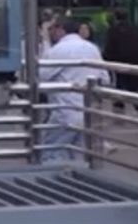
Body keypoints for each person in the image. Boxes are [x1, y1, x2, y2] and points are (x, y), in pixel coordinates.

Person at [39, 16, 110, 164]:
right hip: (88, 111)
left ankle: (56, 177)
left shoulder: (58, 50)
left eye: (51, 29)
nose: (50, 32)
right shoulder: (92, 48)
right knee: (80, 155)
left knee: (53, 152)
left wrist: (45, 43)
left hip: (65, 110)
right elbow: (105, 78)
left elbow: (41, 76)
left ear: (60, 29)